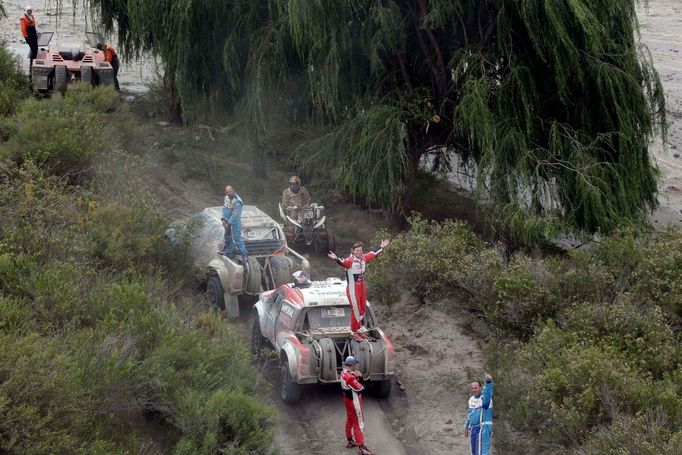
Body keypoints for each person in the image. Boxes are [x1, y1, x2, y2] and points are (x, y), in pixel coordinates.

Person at [327, 239, 389, 337]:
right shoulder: (349, 261)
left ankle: (357, 329)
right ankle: (354, 331)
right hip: (353, 288)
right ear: (353, 251)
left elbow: (373, 253)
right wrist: (336, 258)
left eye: (360, 250)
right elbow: (343, 261)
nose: (359, 252)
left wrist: (381, 247)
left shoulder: (364, 258)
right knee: (356, 310)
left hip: (362, 286)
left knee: (362, 310)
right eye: (357, 251)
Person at [340, 356, 375, 455]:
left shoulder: (343, 373)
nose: (356, 366)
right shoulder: (350, 377)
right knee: (359, 424)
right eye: (355, 364)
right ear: (353, 365)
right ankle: (362, 448)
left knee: (350, 419)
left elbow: (351, 382)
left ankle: (350, 440)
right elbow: (361, 389)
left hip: (347, 400)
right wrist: (360, 377)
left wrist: (355, 376)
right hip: (354, 402)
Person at [464, 373, 493, 455]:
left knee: (482, 452)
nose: (474, 390)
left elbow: (488, 393)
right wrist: (466, 427)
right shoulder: (471, 399)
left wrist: (488, 382)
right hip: (473, 429)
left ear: (480, 388)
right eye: (472, 388)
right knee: (474, 452)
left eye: (476, 388)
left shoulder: (485, 398)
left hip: (483, 428)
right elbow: (470, 414)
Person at [218, 185, 248, 262]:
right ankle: (228, 252)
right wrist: (223, 219)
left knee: (237, 239)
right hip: (227, 220)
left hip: (235, 222)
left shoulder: (238, 201)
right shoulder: (226, 198)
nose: (229, 193)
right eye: (227, 192)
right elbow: (224, 208)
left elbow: (235, 215)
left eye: (230, 191)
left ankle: (244, 255)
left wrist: (229, 223)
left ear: (233, 190)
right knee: (227, 237)